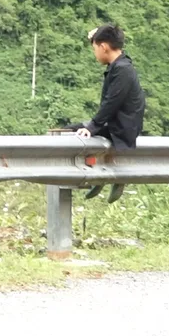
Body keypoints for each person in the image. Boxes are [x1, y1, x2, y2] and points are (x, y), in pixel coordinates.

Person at [67, 24, 145, 203]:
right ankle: (102, 176)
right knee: (79, 129)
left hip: (122, 127)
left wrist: (93, 126)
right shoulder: (121, 63)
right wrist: (94, 36)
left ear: (103, 47)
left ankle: (112, 177)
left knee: (75, 132)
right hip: (119, 123)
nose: (94, 53)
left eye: (95, 48)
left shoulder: (122, 70)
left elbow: (112, 102)